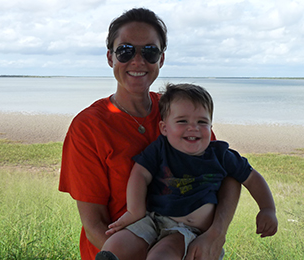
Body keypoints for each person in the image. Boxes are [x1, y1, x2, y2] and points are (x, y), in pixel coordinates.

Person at [59, 8, 243, 260]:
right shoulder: (89, 127)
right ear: (110, 58)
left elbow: (228, 173)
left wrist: (217, 234)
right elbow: (95, 226)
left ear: (161, 59)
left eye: (149, 51)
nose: (137, 61)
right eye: (125, 51)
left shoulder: (180, 113)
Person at [95, 83, 278, 260]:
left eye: (202, 122)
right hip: (153, 219)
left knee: (162, 255)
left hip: (186, 232)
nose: (193, 127)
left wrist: (267, 209)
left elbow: (252, 178)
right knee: (116, 244)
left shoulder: (221, 155)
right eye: (182, 121)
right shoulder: (160, 149)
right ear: (164, 128)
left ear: (211, 127)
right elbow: (140, 174)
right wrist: (135, 211)